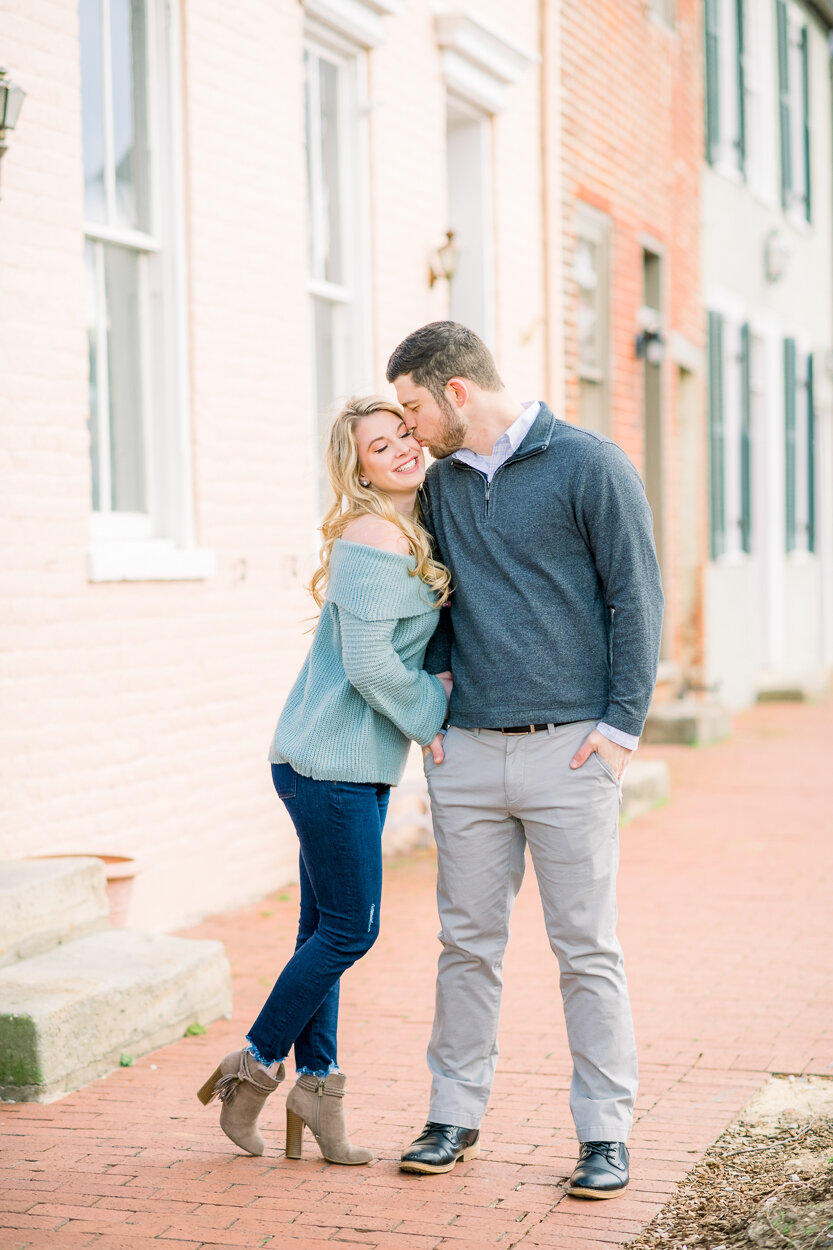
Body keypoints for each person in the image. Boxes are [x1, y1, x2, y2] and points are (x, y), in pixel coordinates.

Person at [386, 322, 664, 1199]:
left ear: (455, 393)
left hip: (570, 753)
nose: (409, 425)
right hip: (465, 753)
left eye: (412, 406)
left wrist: (619, 731)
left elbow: (637, 597)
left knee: (584, 949)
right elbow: (431, 598)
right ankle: (452, 1114)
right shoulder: (438, 488)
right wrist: (432, 702)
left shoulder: (591, 465)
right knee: (464, 945)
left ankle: (604, 1134)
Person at [197, 395, 451, 1164]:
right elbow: (375, 666)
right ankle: (254, 1067)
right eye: (380, 446)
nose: (402, 448)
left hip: (343, 763)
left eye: (404, 432)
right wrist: (431, 717)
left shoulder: (412, 528)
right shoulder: (374, 534)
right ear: (361, 469)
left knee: (322, 932)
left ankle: (320, 1085)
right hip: (328, 766)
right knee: (352, 929)